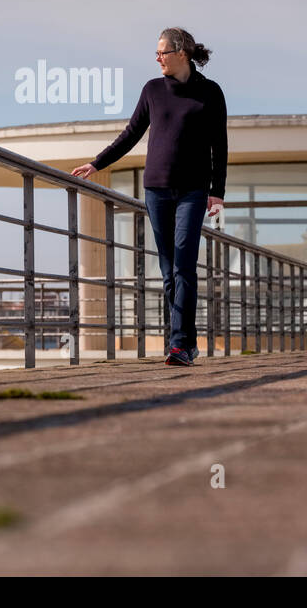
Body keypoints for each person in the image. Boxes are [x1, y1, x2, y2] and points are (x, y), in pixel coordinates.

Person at [72, 28, 227, 366]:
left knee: (185, 265)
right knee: (169, 271)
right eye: (156, 54)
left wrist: (217, 192)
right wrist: (98, 162)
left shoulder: (210, 93)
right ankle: (185, 341)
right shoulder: (153, 90)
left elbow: (220, 144)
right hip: (156, 189)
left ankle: (180, 344)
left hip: (193, 190)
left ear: (181, 52)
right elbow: (131, 133)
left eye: (162, 53)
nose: (157, 59)